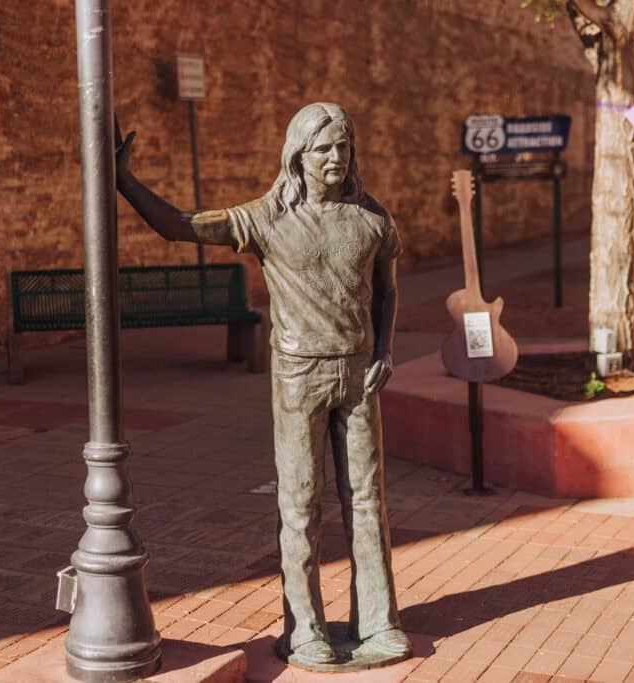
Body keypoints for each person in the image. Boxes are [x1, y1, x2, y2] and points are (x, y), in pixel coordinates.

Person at [115, 102, 410, 667]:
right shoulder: (268, 218)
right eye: (322, 149)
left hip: (357, 376)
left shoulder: (373, 219)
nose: (335, 158)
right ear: (297, 155)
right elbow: (181, 226)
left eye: (343, 147)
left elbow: (387, 289)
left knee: (368, 503)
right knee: (300, 505)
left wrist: (384, 349)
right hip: (299, 376)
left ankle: (379, 621)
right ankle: (305, 630)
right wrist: (126, 181)